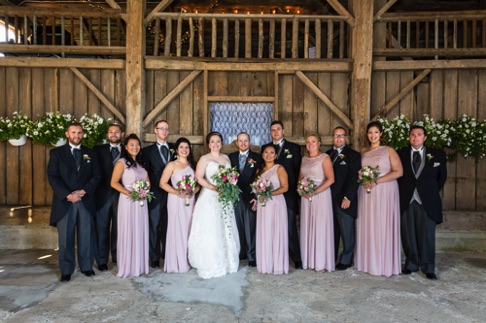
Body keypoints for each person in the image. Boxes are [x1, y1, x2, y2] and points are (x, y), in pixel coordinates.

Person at [47, 122, 101, 282]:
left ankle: (86, 266)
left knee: (86, 236)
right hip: (65, 202)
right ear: (67, 134)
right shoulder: (57, 153)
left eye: (79, 133)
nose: (76, 135)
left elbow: (97, 175)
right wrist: (67, 195)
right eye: (73, 132)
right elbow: (52, 176)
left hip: (85, 201)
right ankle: (66, 270)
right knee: (65, 237)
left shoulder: (90, 153)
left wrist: (85, 190)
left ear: (83, 134)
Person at [188, 132, 240, 279]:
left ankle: (228, 259)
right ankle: (210, 260)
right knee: (212, 227)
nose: (216, 144)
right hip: (210, 197)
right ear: (209, 144)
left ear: (221, 143)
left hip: (225, 197)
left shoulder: (226, 158)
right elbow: (199, 178)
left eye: (218, 141)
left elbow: (232, 176)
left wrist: (230, 185)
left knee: (225, 226)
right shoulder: (204, 159)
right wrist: (214, 188)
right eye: (213, 141)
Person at [398, 125, 447, 280]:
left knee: (427, 235)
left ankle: (428, 266)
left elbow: (442, 177)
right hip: (406, 199)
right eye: (412, 135)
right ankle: (411, 263)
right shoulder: (401, 154)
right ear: (409, 137)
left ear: (424, 138)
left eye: (419, 135)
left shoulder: (437, 154)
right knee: (408, 233)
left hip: (427, 201)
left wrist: (428, 192)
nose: (415, 137)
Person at [355, 121, 403, 277]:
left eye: (376, 132)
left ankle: (384, 263)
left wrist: (376, 181)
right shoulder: (363, 151)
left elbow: (398, 172)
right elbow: (360, 170)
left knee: (382, 224)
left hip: (385, 190)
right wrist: (362, 176)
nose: (372, 135)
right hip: (366, 191)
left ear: (381, 134)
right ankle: (369, 262)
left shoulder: (389, 150)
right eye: (370, 132)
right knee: (368, 225)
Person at [261, 120, 302, 269]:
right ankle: (273, 256)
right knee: (271, 228)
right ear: (270, 132)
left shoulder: (294, 148)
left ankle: (296, 258)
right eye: (273, 130)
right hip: (269, 198)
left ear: (283, 131)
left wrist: (298, 193)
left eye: (278, 129)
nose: (276, 132)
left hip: (288, 194)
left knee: (290, 227)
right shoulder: (266, 149)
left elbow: (298, 172)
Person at [111, 134, 150, 278]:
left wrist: (144, 191)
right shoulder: (121, 163)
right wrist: (130, 193)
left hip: (141, 201)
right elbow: (114, 183)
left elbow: (148, 181)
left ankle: (139, 265)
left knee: (140, 230)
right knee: (128, 230)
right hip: (128, 201)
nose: (135, 147)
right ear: (126, 147)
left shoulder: (141, 163)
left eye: (137, 145)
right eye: (132, 145)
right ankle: (128, 265)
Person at [325, 127, 361, 271]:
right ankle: (330, 257)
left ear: (345, 138)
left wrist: (348, 197)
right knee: (331, 231)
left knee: (347, 232)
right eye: (335, 136)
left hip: (344, 199)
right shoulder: (326, 155)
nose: (338, 138)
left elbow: (354, 179)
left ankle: (346, 260)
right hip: (328, 200)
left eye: (341, 136)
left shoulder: (353, 155)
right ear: (332, 138)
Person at [160, 137, 196, 273]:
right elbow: (162, 183)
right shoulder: (172, 165)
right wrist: (178, 192)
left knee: (189, 228)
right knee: (177, 228)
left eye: (187, 147)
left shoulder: (193, 164)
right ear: (176, 150)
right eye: (181, 147)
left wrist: (193, 190)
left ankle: (188, 258)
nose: (184, 150)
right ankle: (177, 261)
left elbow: (197, 182)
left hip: (190, 199)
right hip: (176, 199)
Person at [299, 133, 335, 272]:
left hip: (320, 195)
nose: (310, 144)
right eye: (308, 142)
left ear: (319, 143)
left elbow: (331, 179)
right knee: (308, 226)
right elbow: (301, 178)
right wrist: (302, 189)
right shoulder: (304, 159)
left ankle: (321, 262)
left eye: (313, 141)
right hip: (306, 197)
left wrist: (315, 191)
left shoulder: (325, 158)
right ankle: (309, 260)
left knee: (320, 226)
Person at [93, 123, 125, 271]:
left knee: (119, 229)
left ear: (122, 134)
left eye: (117, 132)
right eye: (111, 132)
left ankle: (118, 257)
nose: (113, 134)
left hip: (122, 196)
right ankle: (101, 261)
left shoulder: (128, 150)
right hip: (102, 196)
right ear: (107, 135)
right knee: (102, 228)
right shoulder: (98, 150)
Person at [143, 120, 174, 268]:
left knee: (170, 225)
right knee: (154, 225)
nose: (164, 131)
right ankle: (154, 257)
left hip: (173, 194)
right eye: (161, 128)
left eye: (166, 129)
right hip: (155, 193)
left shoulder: (175, 149)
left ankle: (168, 254)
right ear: (155, 130)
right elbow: (144, 173)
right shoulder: (147, 151)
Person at [254, 145, 289, 274]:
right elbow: (255, 188)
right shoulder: (259, 169)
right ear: (262, 154)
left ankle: (277, 265)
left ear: (275, 155)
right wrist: (258, 196)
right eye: (266, 152)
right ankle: (266, 264)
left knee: (276, 231)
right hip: (263, 205)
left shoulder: (279, 169)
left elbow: (285, 187)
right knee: (265, 232)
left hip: (276, 204)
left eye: (272, 152)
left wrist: (268, 194)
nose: (268, 155)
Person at [229, 132, 262, 267]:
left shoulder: (257, 157)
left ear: (250, 142)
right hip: (235, 196)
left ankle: (251, 256)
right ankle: (241, 252)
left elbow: (260, 177)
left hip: (250, 196)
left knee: (250, 227)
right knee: (238, 225)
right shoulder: (231, 157)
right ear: (236, 143)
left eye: (246, 141)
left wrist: (257, 197)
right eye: (240, 141)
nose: (243, 143)